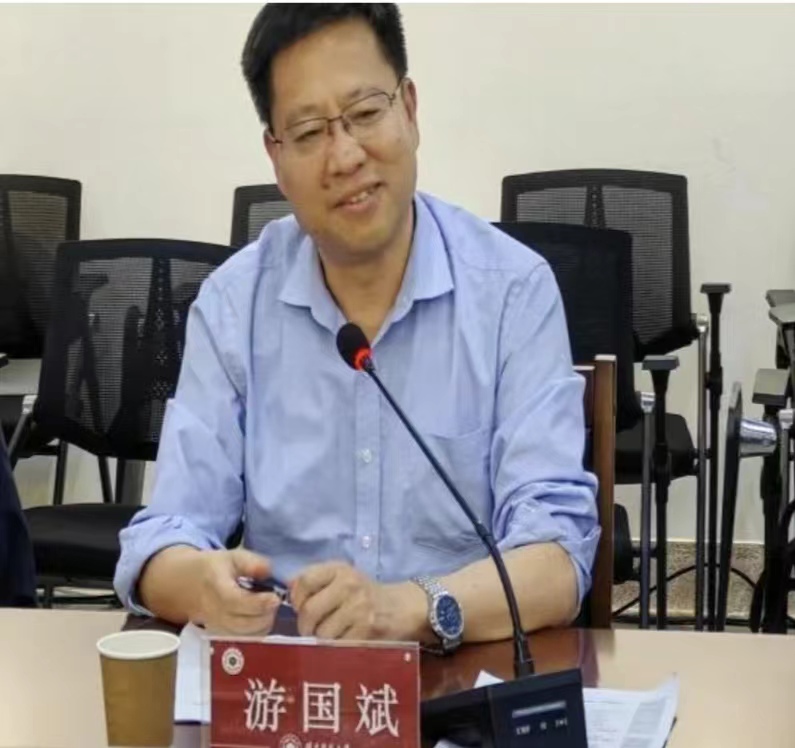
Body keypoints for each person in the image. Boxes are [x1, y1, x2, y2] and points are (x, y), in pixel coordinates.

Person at [114, 3, 600, 652]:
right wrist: (201, 584)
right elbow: (161, 538)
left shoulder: (512, 291)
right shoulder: (234, 304)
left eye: (366, 114)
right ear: (276, 156)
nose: (344, 156)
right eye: (309, 132)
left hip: (458, 674)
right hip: (290, 681)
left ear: (410, 111)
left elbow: (557, 561)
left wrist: (410, 607)